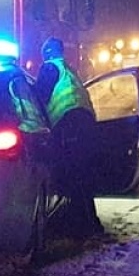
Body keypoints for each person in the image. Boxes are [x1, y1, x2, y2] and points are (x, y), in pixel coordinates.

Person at [33, 37, 105, 238]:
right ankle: (89, 222)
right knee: (82, 174)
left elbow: (39, 99)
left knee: (71, 174)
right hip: (85, 125)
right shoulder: (69, 70)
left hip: (69, 126)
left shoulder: (49, 68)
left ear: (46, 53)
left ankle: (77, 227)